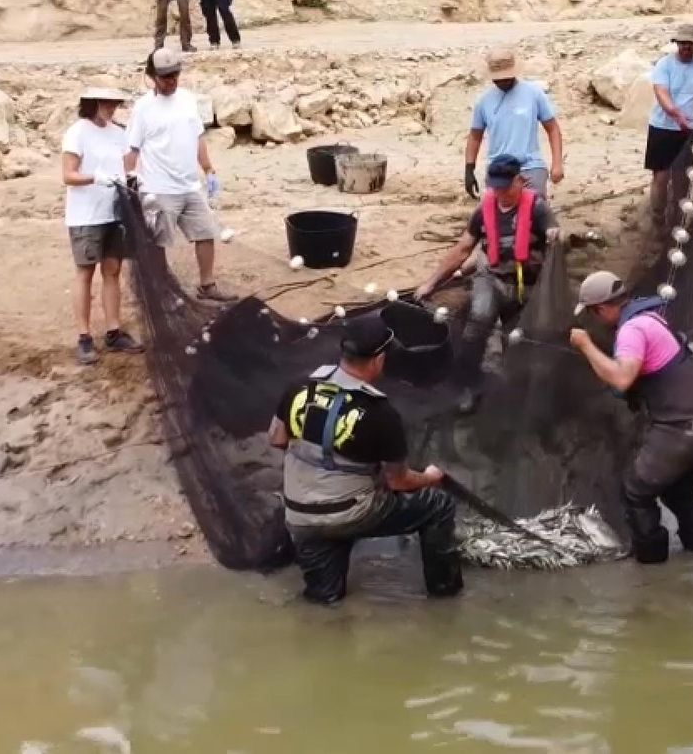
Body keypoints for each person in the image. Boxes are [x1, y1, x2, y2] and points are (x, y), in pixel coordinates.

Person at [268, 315, 463, 605]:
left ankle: (324, 594)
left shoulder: (299, 387)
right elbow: (399, 482)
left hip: (298, 514)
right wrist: (431, 477)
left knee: (325, 603)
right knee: (438, 506)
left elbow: (277, 439)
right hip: (351, 511)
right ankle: (445, 598)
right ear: (379, 359)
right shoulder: (380, 412)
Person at [569, 271, 693, 562]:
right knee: (678, 493)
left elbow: (622, 379)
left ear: (600, 308)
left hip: (682, 429)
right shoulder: (651, 317)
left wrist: (586, 346)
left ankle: (651, 569)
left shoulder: (632, 330)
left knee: (636, 492)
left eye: (592, 313)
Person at [417, 154, 557, 414]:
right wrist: (431, 282)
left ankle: (515, 389)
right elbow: (463, 249)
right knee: (478, 321)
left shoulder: (537, 208)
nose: (500, 193)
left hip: (527, 285)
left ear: (520, 180)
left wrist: (552, 234)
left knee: (518, 338)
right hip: (490, 277)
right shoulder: (484, 210)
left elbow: (553, 233)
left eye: (506, 186)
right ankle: (466, 386)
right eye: (496, 187)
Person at [124, 48, 233, 301]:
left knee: (205, 233)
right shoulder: (143, 108)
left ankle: (207, 285)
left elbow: (197, 137)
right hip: (159, 187)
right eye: (165, 77)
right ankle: (161, 289)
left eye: (174, 75)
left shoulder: (187, 99)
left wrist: (208, 168)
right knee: (159, 242)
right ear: (152, 76)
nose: (171, 81)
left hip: (190, 185)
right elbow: (132, 149)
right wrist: (129, 181)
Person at [61, 87, 145, 365]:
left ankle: (113, 331)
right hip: (86, 215)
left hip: (113, 212)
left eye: (115, 103)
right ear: (93, 103)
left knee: (113, 270)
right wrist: (94, 179)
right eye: (107, 103)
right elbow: (68, 175)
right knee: (85, 273)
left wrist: (132, 180)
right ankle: (84, 337)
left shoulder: (117, 133)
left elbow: (125, 167)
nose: (112, 108)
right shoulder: (77, 132)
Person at [646, 24, 693, 223]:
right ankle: (657, 216)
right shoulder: (664, 64)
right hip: (662, 127)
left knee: (682, 175)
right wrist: (676, 114)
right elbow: (661, 93)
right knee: (661, 176)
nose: (686, 47)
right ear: (677, 44)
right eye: (683, 43)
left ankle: (677, 216)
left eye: (690, 44)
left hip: (688, 130)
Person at [463, 48, 563, 200]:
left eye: (506, 78)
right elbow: (475, 136)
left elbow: (552, 129)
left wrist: (557, 164)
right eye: (498, 79)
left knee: (534, 206)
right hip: (498, 168)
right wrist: (469, 169)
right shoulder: (483, 101)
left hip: (530, 165)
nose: (503, 82)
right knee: (495, 212)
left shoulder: (533, 93)